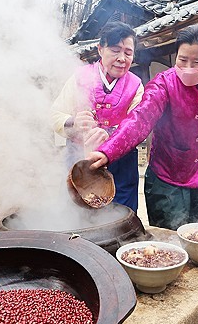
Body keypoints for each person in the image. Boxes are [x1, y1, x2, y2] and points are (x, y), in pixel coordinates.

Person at [87, 24, 198, 231]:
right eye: (182, 60)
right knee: (172, 242)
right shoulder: (163, 84)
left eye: (197, 62)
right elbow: (140, 119)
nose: (188, 68)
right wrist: (107, 151)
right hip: (168, 175)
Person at [51, 22, 144, 212]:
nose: (121, 58)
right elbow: (55, 114)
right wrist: (74, 122)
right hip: (78, 161)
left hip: (121, 166)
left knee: (122, 219)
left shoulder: (136, 86)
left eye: (128, 52)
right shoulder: (79, 77)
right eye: (115, 50)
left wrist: (111, 138)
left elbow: (137, 127)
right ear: (100, 49)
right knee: (75, 215)